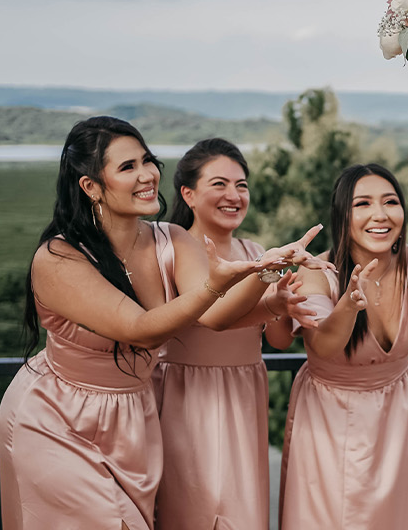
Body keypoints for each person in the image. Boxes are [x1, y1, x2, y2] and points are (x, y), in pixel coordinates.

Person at [0, 117, 298, 529]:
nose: (147, 175)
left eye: (148, 160)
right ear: (90, 186)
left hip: (134, 417)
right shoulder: (58, 258)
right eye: (127, 167)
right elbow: (141, 328)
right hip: (58, 416)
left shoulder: (172, 240)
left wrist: (265, 271)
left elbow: (214, 316)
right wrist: (216, 285)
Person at [278, 162, 408, 529]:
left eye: (390, 201)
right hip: (330, 415)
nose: (380, 214)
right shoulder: (317, 271)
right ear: (342, 214)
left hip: (398, 413)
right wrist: (348, 304)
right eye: (362, 204)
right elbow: (324, 346)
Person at [152, 138, 321, 530]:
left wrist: (283, 304)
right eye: (220, 184)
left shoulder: (254, 250)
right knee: (190, 510)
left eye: (241, 185)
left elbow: (277, 341)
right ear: (188, 194)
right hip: (184, 395)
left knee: (242, 511)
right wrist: (267, 276)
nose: (234, 195)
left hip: (245, 391)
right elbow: (214, 317)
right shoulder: (171, 249)